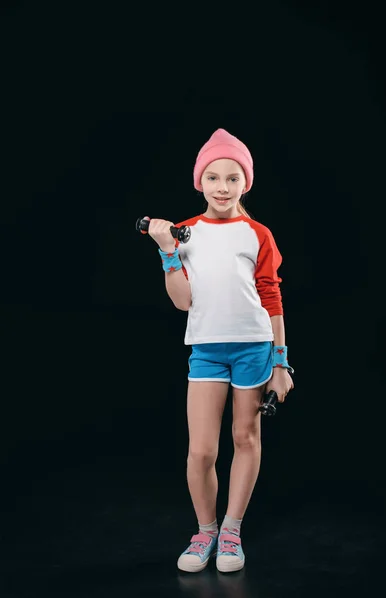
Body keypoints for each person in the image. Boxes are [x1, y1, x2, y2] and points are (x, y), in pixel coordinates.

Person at [147, 128, 294, 573]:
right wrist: (169, 251)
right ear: (200, 182)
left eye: (233, 178)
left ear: (245, 183)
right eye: (213, 178)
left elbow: (271, 295)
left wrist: (281, 360)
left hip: (254, 348)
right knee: (201, 452)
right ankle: (205, 531)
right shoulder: (184, 232)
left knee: (245, 437)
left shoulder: (257, 234)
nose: (223, 187)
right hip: (207, 350)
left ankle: (231, 530)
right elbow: (182, 302)